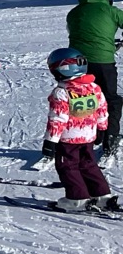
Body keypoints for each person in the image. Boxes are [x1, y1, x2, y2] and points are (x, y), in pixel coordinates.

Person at [41, 47, 115, 211]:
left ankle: (77, 199)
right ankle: (101, 195)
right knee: (88, 165)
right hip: (88, 136)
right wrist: (101, 129)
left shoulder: (62, 92)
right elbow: (102, 110)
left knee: (68, 167)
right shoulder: (94, 88)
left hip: (68, 139)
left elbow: (58, 118)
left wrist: (50, 141)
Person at [65, 0, 122, 163]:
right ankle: (110, 140)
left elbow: (84, 35)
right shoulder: (111, 11)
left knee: (84, 99)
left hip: (77, 63)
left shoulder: (73, 12)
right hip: (103, 62)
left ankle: (86, 138)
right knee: (111, 99)